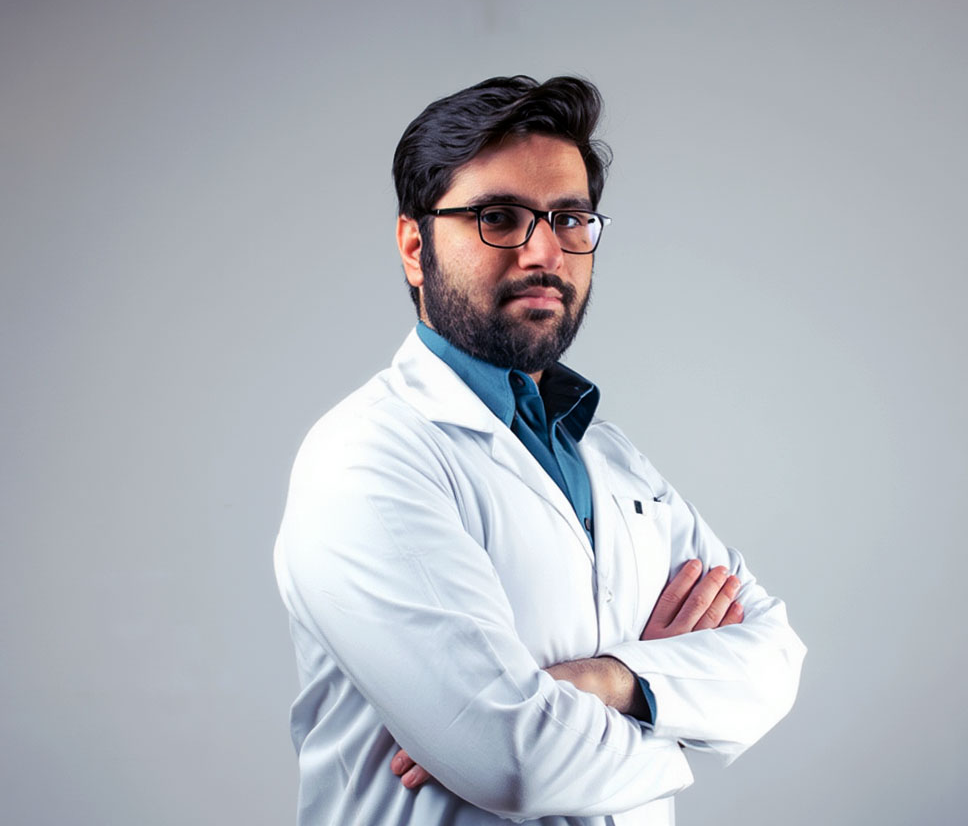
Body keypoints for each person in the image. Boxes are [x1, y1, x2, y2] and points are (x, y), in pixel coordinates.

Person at [273, 75, 806, 826]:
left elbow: (774, 659)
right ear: (413, 244)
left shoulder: (608, 458)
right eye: (498, 217)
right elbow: (514, 762)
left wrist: (606, 679)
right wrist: (679, 731)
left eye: (570, 218)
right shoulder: (367, 458)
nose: (544, 251)